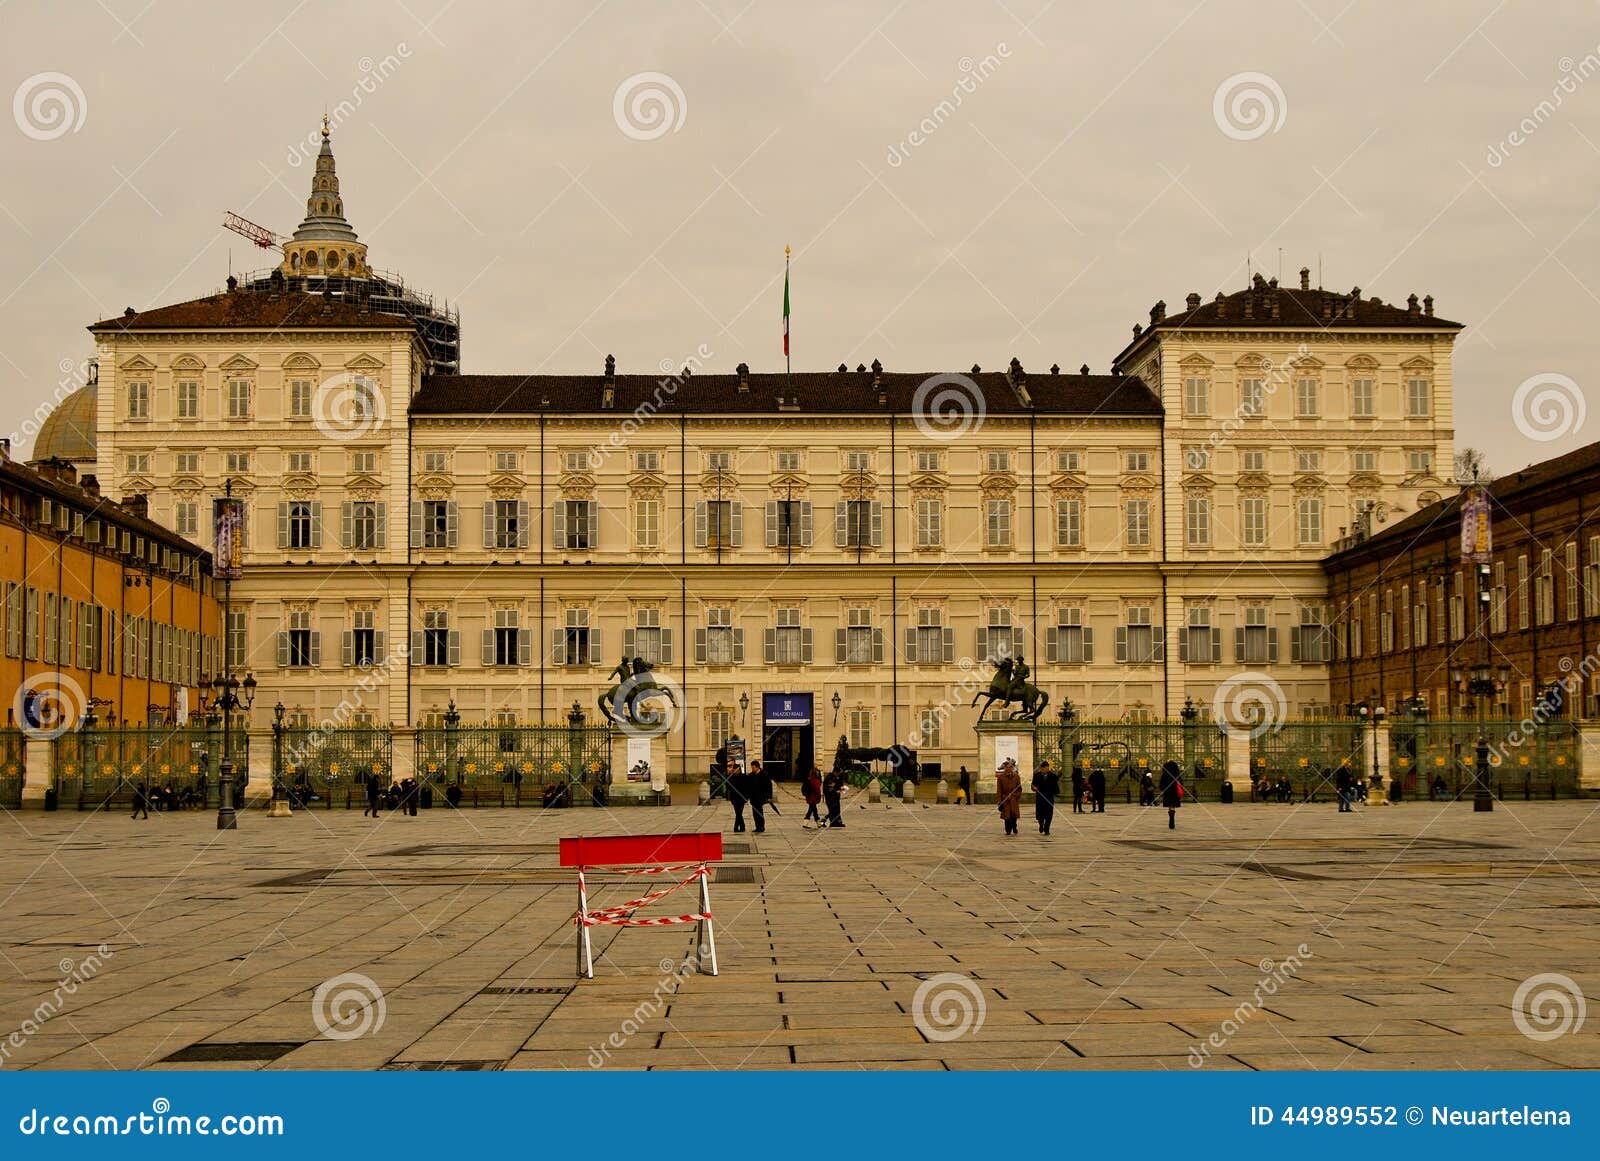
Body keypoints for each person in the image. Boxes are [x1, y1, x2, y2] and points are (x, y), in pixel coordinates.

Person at [996, 758, 1022, 836]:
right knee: (1006, 816)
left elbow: (1019, 789)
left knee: (1013, 815)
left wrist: (1015, 796)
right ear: (1004, 768)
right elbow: (999, 790)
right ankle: (1008, 830)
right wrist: (999, 800)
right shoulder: (1001, 777)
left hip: (1013, 799)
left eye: (1010, 767)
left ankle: (1014, 826)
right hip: (1005, 799)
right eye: (1006, 767)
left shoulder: (1016, 776)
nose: (1008, 769)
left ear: (1012, 768)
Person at [1033, 760, 1058, 836]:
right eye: (1045, 768)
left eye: (1047, 767)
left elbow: (1055, 787)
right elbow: (1033, 785)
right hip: (1040, 798)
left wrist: (1056, 792)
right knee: (1040, 814)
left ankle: (1046, 829)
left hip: (1049, 798)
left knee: (1049, 814)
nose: (1046, 769)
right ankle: (1041, 824)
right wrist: (1034, 788)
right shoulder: (1037, 775)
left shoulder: (1053, 776)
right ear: (1041, 768)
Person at [747, 760, 770, 834]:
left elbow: (769, 786)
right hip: (753, 798)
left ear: (757, 767)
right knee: (755, 813)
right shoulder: (751, 775)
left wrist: (768, 796)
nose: (752, 769)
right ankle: (757, 826)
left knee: (760, 812)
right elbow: (748, 786)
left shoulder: (764, 775)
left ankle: (761, 826)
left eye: (753, 768)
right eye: (752, 768)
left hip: (760, 797)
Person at [1160, 759, 1183, 830]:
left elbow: (1161, 784)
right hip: (1175, 791)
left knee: (1169, 805)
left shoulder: (1165, 774)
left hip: (1167, 792)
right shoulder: (1177, 774)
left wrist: (1163, 789)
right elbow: (1181, 783)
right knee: (1173, 805)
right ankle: (1172, 819)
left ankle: (1170, 818)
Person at [728, 760, 748, 833]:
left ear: (739, 769)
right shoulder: (731, 777)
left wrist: (746, 797)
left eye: (736, 770)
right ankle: (742, 827)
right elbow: (728, 787)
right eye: (734, 770)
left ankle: (736, 827)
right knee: (738, 813)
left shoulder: (744, 777)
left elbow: (747, 788)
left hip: (742, 798)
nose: (735, 771)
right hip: (734, 798)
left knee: (739, 813)